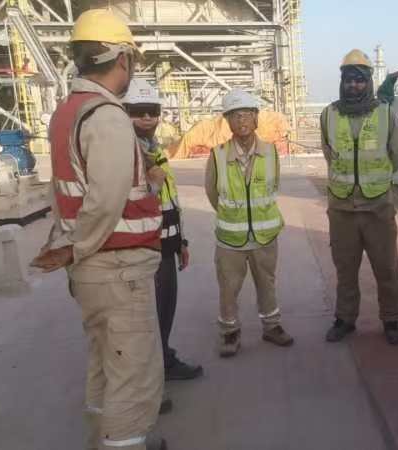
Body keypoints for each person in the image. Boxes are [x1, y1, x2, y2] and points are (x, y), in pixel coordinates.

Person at [30, 9, 167, 450]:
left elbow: (64, 192)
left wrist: (69, 245)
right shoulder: (106, 115)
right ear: (122, 57)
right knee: (134, 377)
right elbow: (106, 200)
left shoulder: (66, 113)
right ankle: (124, 441)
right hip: (116, 267)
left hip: (93, 272)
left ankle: (102, 438)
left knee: (105, 364)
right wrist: (76, 248)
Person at [320, 49, 398, 345]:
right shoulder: (329, 114)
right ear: (342, 81)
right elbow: (329, 153)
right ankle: (345, 319)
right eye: (349, 79)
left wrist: (377, 179)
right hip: (341, 207)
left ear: (369, 81)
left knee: (386, 266)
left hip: (377, 206)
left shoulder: (386, 113)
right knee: (345, 268)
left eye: (359, 80)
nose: (353, 85)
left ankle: (392, 319)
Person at [122, 78, 203, 382]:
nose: (146, 118)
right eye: (138, 111)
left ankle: (163, 361)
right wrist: (152, 184)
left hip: (166, 246)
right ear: (125, 112)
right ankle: (148, 379)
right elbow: (124, 202)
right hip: (143, 249)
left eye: (152, 111)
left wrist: (180, 240)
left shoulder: (153, 149)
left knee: (165, 310)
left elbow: (170, 200)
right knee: (146, 318)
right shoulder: (125, 152)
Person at [204, 88, 293, 357]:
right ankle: (229, 332)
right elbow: (212, 192)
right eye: (235, 115)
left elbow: (273, 186)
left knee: (267, 283)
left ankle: (272, 326)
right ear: (227, 121)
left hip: (265, 236)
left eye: (246, 114)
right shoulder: (218, 154)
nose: (241, 120)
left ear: (256, 118)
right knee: (228, 287)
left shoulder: (270, 152)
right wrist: (234, 216)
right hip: (230, 238)